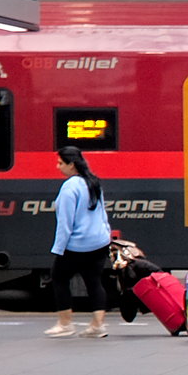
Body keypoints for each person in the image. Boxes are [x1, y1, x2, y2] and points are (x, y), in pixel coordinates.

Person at [46, 144, 113, 339]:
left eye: (60, 163)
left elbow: (65, 223)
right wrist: (106, 235)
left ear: (71, 165)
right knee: (94, 282)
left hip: (77, 244)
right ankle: (98, 326)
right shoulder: (93, 182)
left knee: (59, 278)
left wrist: (59, 249)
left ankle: (65, 324)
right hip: (99, 242)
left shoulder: (69, 188)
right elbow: (102, 214)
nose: (58, 167)